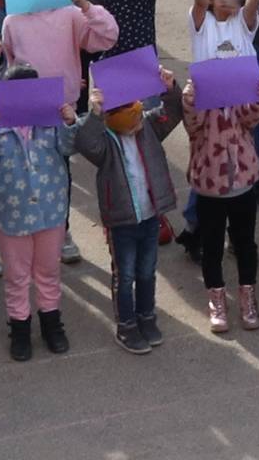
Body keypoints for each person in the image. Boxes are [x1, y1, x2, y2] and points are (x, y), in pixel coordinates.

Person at [72, 74, 182, 354]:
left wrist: (170, 87)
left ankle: (147, 317)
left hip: (149, 217)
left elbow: (173, 110)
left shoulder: (148, 127)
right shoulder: (105, 141)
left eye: (137, 115)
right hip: (121, 221)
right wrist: (94, 113)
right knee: (126, 275)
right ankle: (126, 326)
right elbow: (85, 143)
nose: (136, 123)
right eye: (129, 118)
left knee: (147, 271)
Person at [0, 65, 79, 365]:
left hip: (50, 210)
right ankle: (20, 328)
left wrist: (71, 122)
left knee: (48, 271)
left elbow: (68, 147)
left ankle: (51, 323)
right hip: (12, 214)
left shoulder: (50, 119)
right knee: (17, 276)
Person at [184, 70, 259, 332]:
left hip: (243, 183)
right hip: (209, 186)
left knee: (245, 243)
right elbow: (191, 123)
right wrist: (192, 97)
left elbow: (253, 118)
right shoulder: (199, 91)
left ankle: (247, 298)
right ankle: (216, 300)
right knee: (212, 247)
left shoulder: (239, 87)